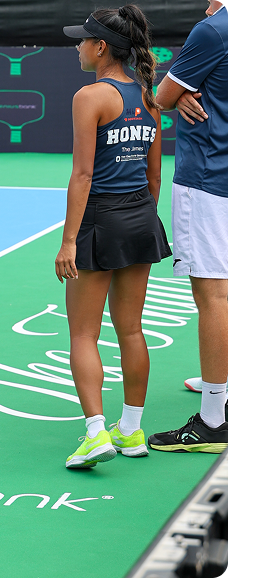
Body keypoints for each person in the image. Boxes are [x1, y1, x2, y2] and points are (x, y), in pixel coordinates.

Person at [57, 5, 171, 469]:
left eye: (83, 39)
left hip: (100, 222)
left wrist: (68, 242)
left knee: (83, 333)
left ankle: (94, 434)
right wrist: (141, 219)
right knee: (131, 329)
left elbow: (82, 175)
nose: (78, 46)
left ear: (101, 47)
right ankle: (131, 429)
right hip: (141, 218)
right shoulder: (148, 97)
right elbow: (154, 175)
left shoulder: (90, 97)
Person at [147, 0, 228, 453]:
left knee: (214, 294)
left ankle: (215, 419)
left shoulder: (214, 30)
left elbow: (159, 98)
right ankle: (224, 378)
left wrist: (177, 95)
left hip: (211, 178)